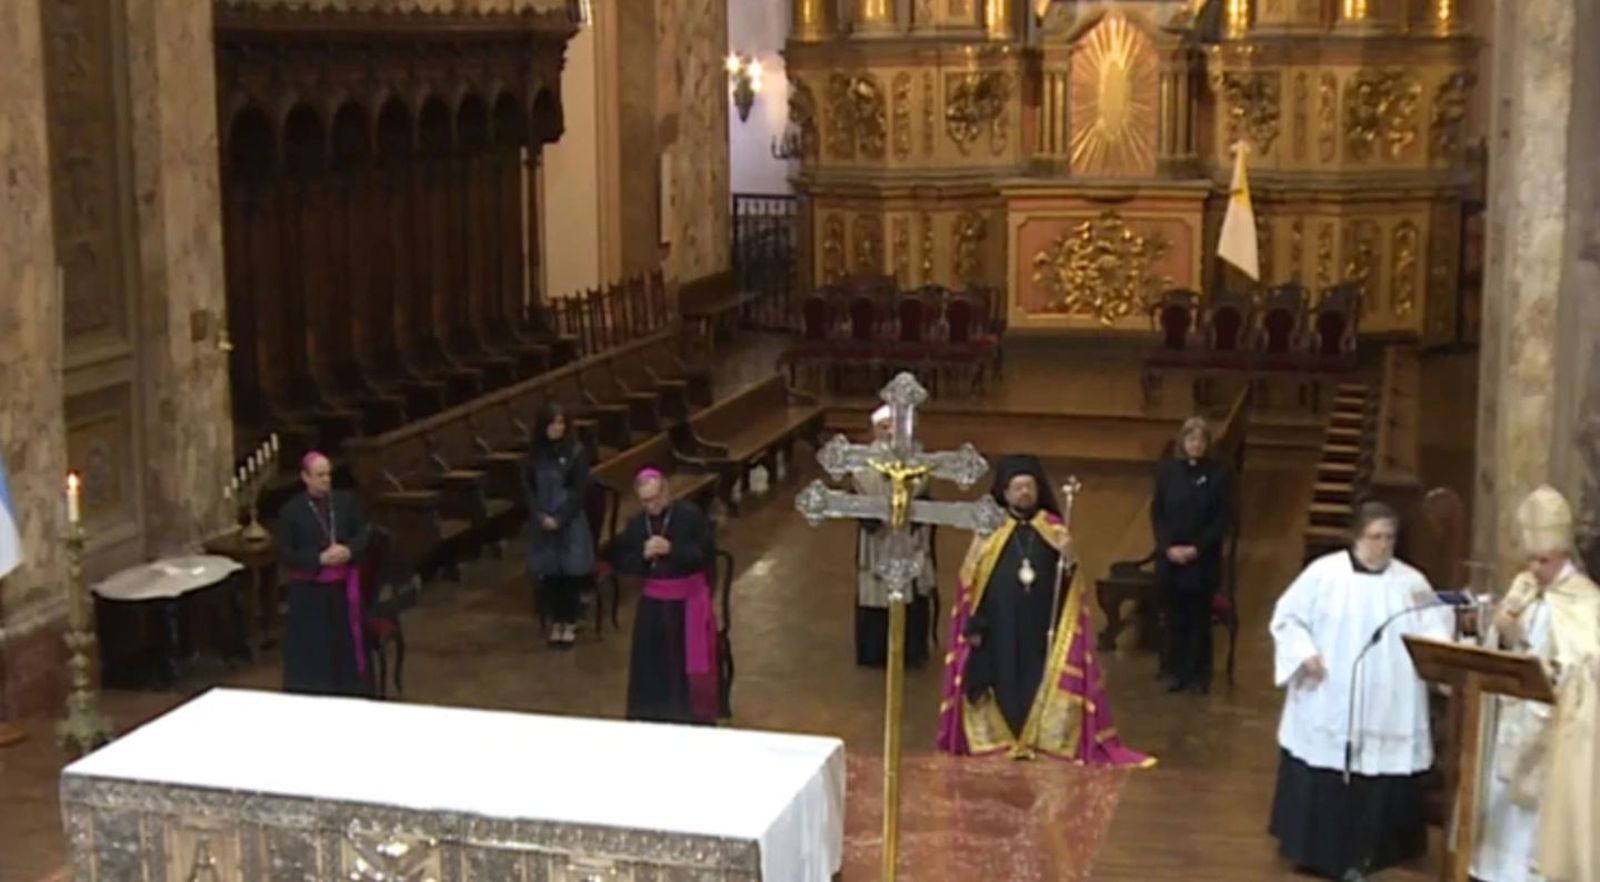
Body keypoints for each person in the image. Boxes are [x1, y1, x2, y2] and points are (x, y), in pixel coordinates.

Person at [1267, 501, 1453, 879]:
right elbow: (1288, 619)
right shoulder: (1323, 574)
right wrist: (1303, 653)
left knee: (1382, 773)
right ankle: (1316, 850)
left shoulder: (1411, 582)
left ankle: (1382, 850)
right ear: (1355, 537)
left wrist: (1438, 649)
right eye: (1374, 537)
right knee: (1327, 767)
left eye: (1389, 538)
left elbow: (1436, 624)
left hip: (1389, 700)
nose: (1382, 546)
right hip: (1330, 689)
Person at [936, 454, 1152, 765]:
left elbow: (1071, 584)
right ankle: (1002, 739)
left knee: (1038, 680)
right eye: (1018, 487)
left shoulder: (1053, 529)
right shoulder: (989, 532)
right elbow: (971, 581)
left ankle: (1039, 737)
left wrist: (1069, 557)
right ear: (1005, 493)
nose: (1024, 492)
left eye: (1030, 486)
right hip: (999, 627)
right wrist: (975, 623)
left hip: (1042, 627)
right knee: (1003, 680)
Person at [1471, 485, 1600, 882]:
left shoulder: (1587, 601)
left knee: (1539, 810)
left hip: (1554, 722)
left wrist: (1550, 662)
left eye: (1542, 560)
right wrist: (1504, 630)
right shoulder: (1525, 587)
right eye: (1530, 559)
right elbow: (1507, 646)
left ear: (1562, 555)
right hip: (1515, 714)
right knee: (1504, 800)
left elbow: (1586, 664)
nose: (1534, 567)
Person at [612, 469, 720, 724]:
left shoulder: (689, 515)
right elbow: (623, 561)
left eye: (655, 498)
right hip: (653, 608)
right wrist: (642, 556)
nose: (651, 506)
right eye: (645, 501)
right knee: (651, 667)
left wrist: (672, 550)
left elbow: (705, 554)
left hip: (686, 605)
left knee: (684, 667)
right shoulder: (637, 524)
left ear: (666, 492)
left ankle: (689, 716)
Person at [276, 451, 373, 697]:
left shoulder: (344, 502)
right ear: (305, 477)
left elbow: (364, 533)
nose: (326, 480)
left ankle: (350, 690)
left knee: (344, 651)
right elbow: (286, 554)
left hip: (342, 591)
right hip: (310, 595)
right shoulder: (291, 512)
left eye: (328, 474)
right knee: (315, 654)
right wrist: (319, 558)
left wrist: (348, 550)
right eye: (320, 475)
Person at [1151, 416, 1232, 694]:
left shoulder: (1218, 475)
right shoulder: (1168, 472)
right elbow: (1157, 513)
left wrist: (1196, 548)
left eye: (1201, 440)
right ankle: (1174, 671)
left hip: (1201, 560)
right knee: (1174, 617)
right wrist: (1167, 547)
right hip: (1170, 558)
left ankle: (1198, 675)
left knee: (1198, 619)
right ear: (1182, 442)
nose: (1196, 445)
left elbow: (1220, 519)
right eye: (1191, 439)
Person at [852, 404, 936, 668]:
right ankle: (875, 651)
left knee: (913, 584)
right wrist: (879, 517)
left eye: (895, 426)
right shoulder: (861, 464)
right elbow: (859, 498)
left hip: (909, 538)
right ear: (874, 430)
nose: (889, 432)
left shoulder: (918, 460)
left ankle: (912, 650)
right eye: (883, 426)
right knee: (876, 589)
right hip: (877, 540)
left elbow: (924, 496)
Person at [523, 403, 595, 648]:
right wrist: (539, 516)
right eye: (553, 423)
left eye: (561, 422)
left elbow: (579, 490)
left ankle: (570, 622)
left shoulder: (576, 452)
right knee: (550, 573)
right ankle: (556, 623)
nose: (557, 428)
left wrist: (560, 518)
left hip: (569, 521)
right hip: (543, 521)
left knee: (570, 573)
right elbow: (529, 489)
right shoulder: (534, 455)